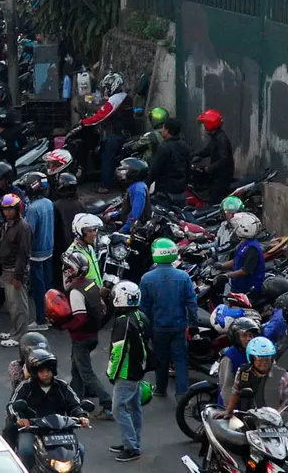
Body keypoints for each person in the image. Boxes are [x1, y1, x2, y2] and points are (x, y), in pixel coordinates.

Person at [9, 350, 91, 471]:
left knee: (80, 451)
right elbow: (12, 405)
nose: (46, 374)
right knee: (26, 451)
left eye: (48, 371)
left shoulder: (62, 386)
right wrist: (21, 419)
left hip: (60, 430)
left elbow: (75, 405)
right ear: (35, 372)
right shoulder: (25, 386)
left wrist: (81, 416)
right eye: (42, 371)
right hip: (33, 429)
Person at [139, 237, 198, 396]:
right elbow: (191, 302)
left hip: (158, 327)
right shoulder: (183, 277)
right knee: (180, 360)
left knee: (161, 360)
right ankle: (182, 395)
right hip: (178, 326)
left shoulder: (146, 278)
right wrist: (193, 324)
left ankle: (160, 389)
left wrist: (145, 329)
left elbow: (143, 307)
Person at [61, 251, 112, 418]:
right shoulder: (90, 283)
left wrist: (65, 326)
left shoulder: (76, 292)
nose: (65, 269)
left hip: (81, 338)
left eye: (67, 267)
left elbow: (80, 318)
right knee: (76, 370)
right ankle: (74, 401)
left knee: (86, 373)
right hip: (92, 335)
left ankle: (107, 404)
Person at [106, 281, 150, 462]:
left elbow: (118, 350)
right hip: (139, 368)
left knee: (118, 409)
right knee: (134, 407)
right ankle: (132, 442)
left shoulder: (123, 321)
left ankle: (132, 447)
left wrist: (110, 372)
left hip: (126, 372)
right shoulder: (140, 316)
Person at [221, 336, 288, 417]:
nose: (264, 362)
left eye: (267, 359)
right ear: (252, 359)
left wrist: (274, 417)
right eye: (260, 359)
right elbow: (235, 392)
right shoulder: (243, 372)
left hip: (274, 422)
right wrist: (228, 411)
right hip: (246, 418)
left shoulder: (283, 377)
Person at [0, 193, 33, 347]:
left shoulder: (23, 227)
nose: (8, 212)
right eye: (5, 209)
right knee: (12, 303)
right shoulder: (7, 225)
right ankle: (15, 330)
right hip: (7, 269)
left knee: (19, 305)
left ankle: (20, 336)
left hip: (16, 270)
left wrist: (18, 276)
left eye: (10, 209)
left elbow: (23, 253)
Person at [21, 173, 55, 330]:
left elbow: (29, 233)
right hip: (49, 250)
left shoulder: (33, 209)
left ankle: (41, 320)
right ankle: (50, 316)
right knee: (48, 287)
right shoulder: (48, 203)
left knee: (38, 289)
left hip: (36, 254)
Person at [216, 212, 267, 302]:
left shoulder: (252, 248)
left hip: (248, 290)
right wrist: (221, 266)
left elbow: (245, 271)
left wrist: (226, 275)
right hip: (238, 286)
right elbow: (236, 260)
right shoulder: (244, 243)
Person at [147, 117, 192, 207]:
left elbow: (155, 169)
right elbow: (188, 168)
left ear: (167, 131)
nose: (162, 130)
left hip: (165, 194)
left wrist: (146, 184)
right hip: (181, 193)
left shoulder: (164, 147)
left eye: (163, 128)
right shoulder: (185, 146)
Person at [194, 108, 235, 204]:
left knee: (213, 200)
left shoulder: (221, 139)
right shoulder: (215, 137)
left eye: (205, 123)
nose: (204, 126)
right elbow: (206, 151)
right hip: (216, 175)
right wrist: (193, 155)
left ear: (210, 123)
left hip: (222, 176)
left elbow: (224, 159)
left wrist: (209, 168)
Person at [111, 158, 150, 234]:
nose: (122, 172)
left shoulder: (138, 189)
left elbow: (135, 214)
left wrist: (123, 230)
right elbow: (128, 208)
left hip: (136, 229)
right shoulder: (135, 186)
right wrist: (113, 216)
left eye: (126, 170)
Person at [66, 214, 104, 289]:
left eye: (95, 229)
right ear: (80, 233)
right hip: (87, 297)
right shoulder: (73, 255)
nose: (94, 233)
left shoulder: (90, 248)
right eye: (90, 230)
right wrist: (97, 290)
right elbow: (69, 285)